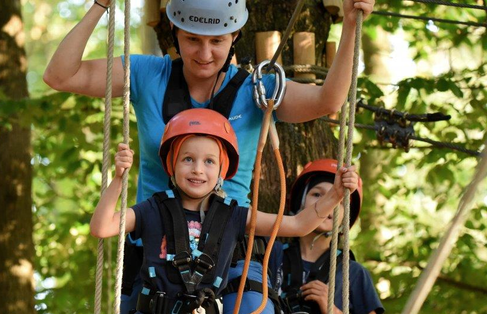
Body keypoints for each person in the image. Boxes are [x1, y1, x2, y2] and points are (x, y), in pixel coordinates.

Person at [45, 0, 374, 312]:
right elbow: (60, 76)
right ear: (175, 33)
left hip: (230, 251)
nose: (204, 54)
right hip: (155, 249)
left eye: (217, 41)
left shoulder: (257, 90)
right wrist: (101, 5)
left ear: (234, 38)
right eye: (192, 40)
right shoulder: (148, 74)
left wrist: (348, 25)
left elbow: (328, 101)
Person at [89, 109, 360, 314]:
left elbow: (299, 225)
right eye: (188, 159)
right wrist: (118, 180)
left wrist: (335, 195)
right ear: (172, 164)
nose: (197, 169)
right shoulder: (152, 210)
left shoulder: (235, 216)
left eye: (209, 161)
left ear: (222, 171)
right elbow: (101, 228)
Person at [268, 159, 384, 314]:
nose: (327, 203)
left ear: (345, 217)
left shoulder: (353, 273)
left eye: (340, 201)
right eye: (317, 194)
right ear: (300, 203)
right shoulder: (271, 254)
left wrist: (332, 309)